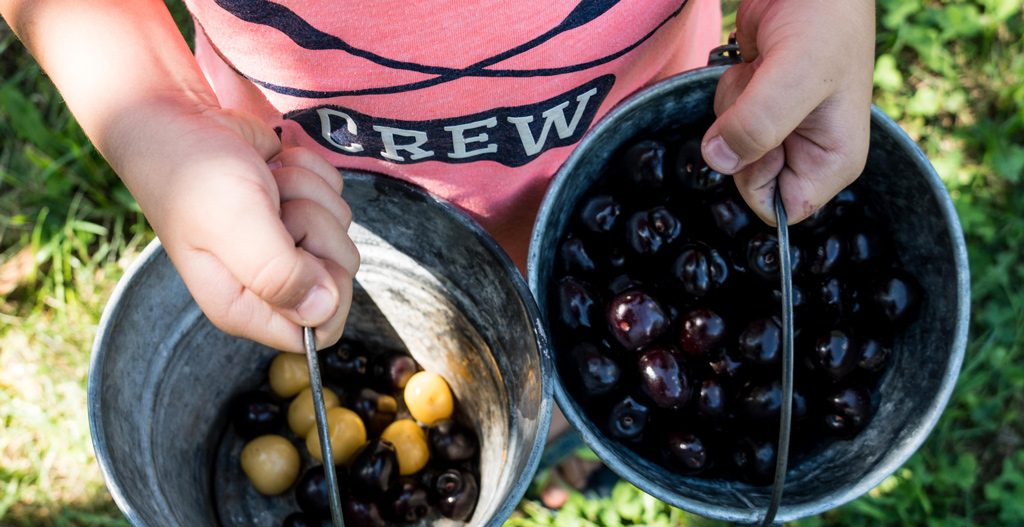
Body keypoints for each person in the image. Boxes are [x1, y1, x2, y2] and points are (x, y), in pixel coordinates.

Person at [0, 0, 875, 355]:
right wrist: (157, 117)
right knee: (437, 322)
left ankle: (564, 410)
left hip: (628, 150)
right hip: (328, 188)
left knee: (597, 314)